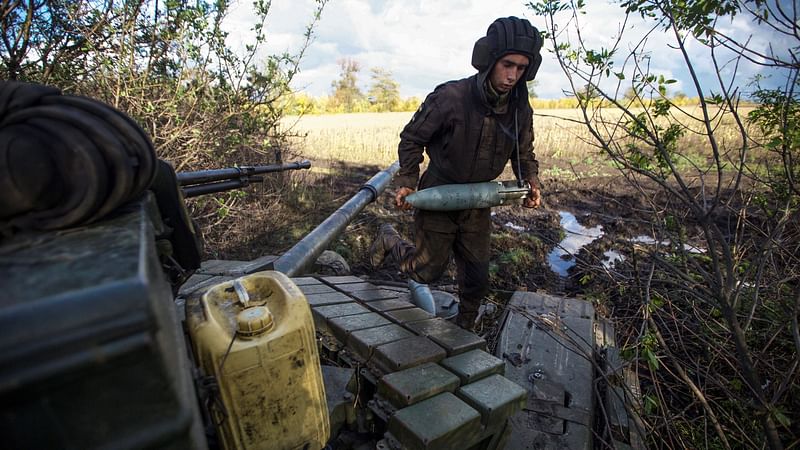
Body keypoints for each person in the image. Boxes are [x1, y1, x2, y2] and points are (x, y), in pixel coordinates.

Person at [371, 16, 543, 329]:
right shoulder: (452, 98)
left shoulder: (519, 108)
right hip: (440, 191)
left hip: (478, 199)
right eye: (507, 65)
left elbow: (523, 151)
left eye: (520, 68)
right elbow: (412, 139)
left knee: (477, 278)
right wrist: (409, 181)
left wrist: (530, 180)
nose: (512, 75)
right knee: (425, 271)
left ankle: (463, 332)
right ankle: (388, 239)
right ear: (489, 60)